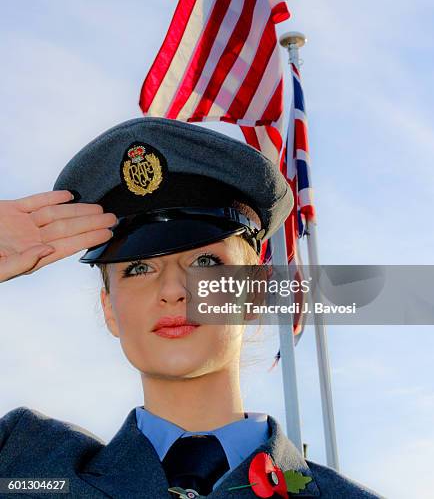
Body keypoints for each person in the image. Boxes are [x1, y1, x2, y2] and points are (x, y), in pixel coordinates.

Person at [0, 118, 382, 498]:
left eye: (205, 262)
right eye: (139, 267)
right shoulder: (20, 463)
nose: (172, 289)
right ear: (109, 309)